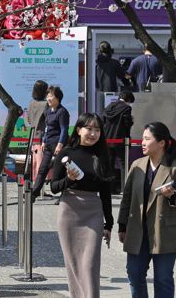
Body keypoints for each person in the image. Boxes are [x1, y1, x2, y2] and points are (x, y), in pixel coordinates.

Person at [119, 121, 176, 298]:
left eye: (146, 139)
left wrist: (172, 195)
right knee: (134, 274)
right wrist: (122, 225)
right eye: (142, 139)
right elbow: (127, 197)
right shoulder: (136, 165)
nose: (142, 142)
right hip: (138, 231)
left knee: (163, 278)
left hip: (164, 231)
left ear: (161, 143)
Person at [50, 113, 114, 298]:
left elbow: (106, 191)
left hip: (93, 211)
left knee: (90, 263)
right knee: (74, 264)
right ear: (79, 130)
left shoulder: (101, 155)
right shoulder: (66, 154)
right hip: (69, 209)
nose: (93, 133)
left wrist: (108, 223)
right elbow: (54, 187)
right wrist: (68, 180)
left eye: (97, 130)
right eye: (89, 129)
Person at [31, 86, 70, 198]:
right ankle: (34, 193)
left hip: (59, 144)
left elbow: (64, 129)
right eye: (48, 96)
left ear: (58, 98)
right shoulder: (48, 111)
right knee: (42, 169)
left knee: (61, 170)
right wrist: (43, 141)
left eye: (51, 96)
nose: (48, 98)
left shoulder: (62, 112)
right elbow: (47, 128)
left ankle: (64, 195)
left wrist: (60, 144)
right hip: (48, 144)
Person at [103, 90, 135, 193]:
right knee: (124, 164)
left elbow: (103, 122)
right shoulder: (126, 108)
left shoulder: (109, 107)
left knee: (110, 164)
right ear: (128, 100)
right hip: (121, 140)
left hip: (108, 139)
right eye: (130, 102)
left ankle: (110, 188)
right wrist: (131, 121)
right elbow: (127, 124)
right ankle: (125, 188)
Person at [25, 80, 49, 184]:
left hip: (32, 137)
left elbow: (28, 120)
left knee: (34, 163)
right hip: (42, 137)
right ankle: (40, 188)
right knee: (41, 164)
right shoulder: (45, 104)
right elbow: (49, 121)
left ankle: (34, 185)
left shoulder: (31, 103)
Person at [95, 41, 129, 113]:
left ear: (99, 51)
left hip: (97, 92)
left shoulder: (95, 63)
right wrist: (129, 86)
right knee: (111, 112)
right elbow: (122, 76)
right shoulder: (114, 63)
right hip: (111, 93)